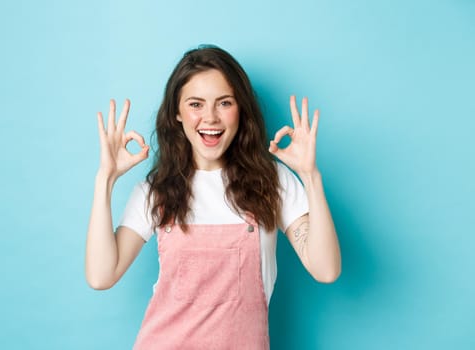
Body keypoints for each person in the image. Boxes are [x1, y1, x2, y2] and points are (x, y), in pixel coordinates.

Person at [85, 45, 341, 349]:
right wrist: (105, 180)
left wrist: (311, 177)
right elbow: (101, 276)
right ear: (176, 114)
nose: (210, 117)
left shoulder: (272, 182)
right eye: (196, 104)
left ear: (241, 109)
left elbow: (326, 269)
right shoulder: (156, 190)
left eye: (224, 103)